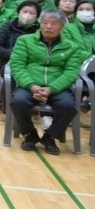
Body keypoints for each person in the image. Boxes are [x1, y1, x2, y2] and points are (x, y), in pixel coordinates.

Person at [8, 10, 83, 154]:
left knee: (68, 106)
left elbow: (71, 72)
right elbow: (17, 65)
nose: (48, 26)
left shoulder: (73, 47)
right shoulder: (25, 40)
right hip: (29, 85)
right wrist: (32, 86)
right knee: (18, 101)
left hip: (57, 87)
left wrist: (51, 89)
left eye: (53, 24)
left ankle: (50, 137)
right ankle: (30, 134)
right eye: (45, 22)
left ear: (62, 27)